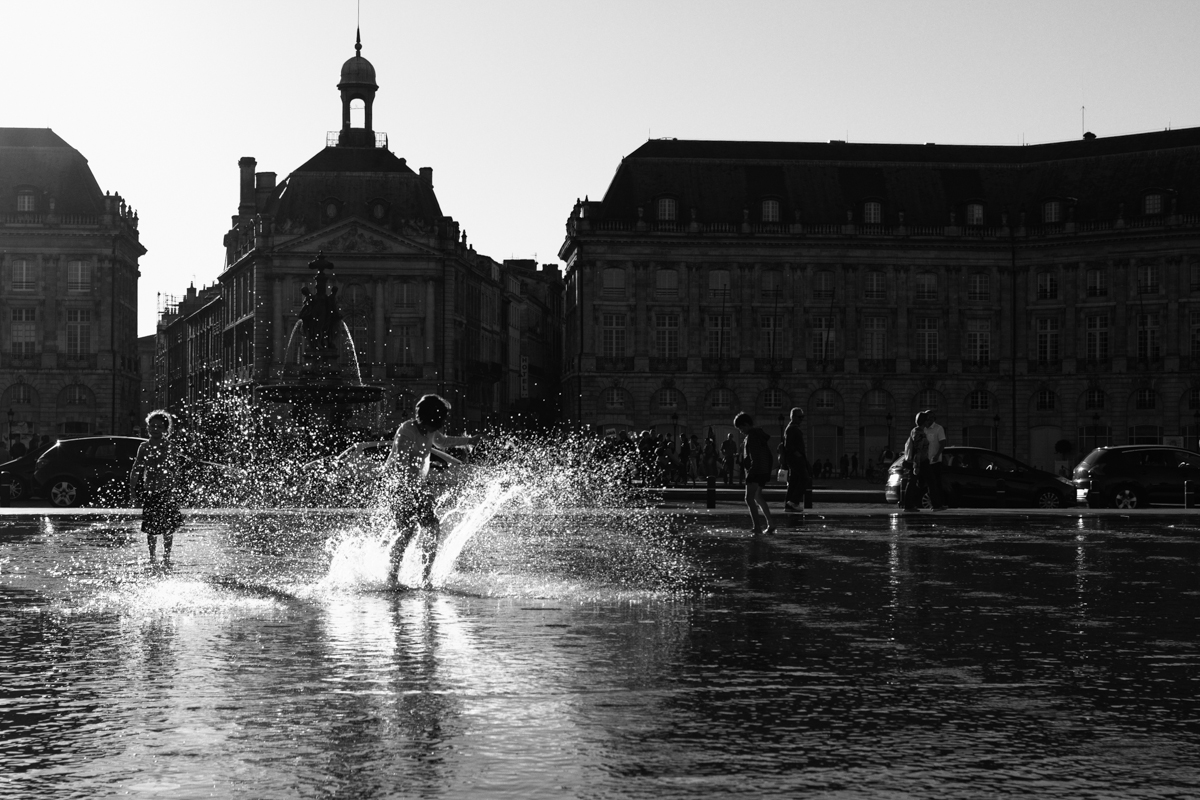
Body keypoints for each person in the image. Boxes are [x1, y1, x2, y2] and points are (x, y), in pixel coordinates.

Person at [385, 394, 478, 588]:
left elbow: (442, 442)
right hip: (398, 485)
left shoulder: (430, 430)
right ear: (430, 417)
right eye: (442, 419)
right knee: (407, 530)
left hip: (415, 487)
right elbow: (401, 464)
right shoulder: (406, 431)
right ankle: (392, 579)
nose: (443, 423)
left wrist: (468, 440)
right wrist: (413, 484)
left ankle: (426, 579)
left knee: (432, 527)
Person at [129, 410, 184, 566]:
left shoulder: (169, 446)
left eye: (159, 427)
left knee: (168, 527)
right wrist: (132, 490)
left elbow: (175, 469)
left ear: (165, 429)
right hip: (150, 491)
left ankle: (166, 557)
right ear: (148, 428)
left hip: (166, 491)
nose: (155, 429)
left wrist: (174, 487)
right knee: (151, 528)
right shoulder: (144, 447)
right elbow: (136, 468)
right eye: (152, 426)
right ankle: (152, 556)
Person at [734, 411, 775, 535]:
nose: (741, 431)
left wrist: (751, 472)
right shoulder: (759, 435)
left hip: (755, 471)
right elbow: (768, 455)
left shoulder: (752, 436)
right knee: (758, 497)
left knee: (748, 498)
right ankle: (771, 523)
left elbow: (755, 457)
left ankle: (757, 527)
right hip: (762, 470)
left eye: (741, 428)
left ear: (746, 425)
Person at [781, 407, 811, 514]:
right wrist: (797, 455)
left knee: (794, 481)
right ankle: (794, 501)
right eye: (799, 417)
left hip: (794, 458)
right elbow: (789, 445)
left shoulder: (792, 428)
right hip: (795, 459)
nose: (801, 419)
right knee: (805, 478)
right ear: (792, 417)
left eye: (802, 417)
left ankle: (788, 505)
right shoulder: (792, 429)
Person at [900, 418, 929, 512]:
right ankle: (908, 505)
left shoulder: (917, 431)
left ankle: (909, 504)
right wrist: (916, 465)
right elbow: (918, 450)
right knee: (912, 482)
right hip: (918, 462)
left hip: (919, 461)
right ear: (924, 421)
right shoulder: (918, 432)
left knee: (914, 483)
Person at [922, 409, 948, 510]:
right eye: (927, 418)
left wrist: (937, 455)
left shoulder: (938, 428)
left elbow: (942, 443)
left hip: (935, 461)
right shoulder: (923, 429)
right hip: (925, 461)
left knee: (936, 483)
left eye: (931, 418)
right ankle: (935, 503)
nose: (929, 420)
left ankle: (938, 503)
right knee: (928, 483)